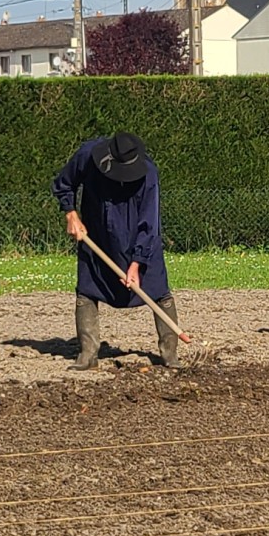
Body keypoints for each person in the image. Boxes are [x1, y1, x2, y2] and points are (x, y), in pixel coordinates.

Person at [54, 132, 179, 368]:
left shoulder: (148, 174)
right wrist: (70, 213)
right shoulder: (87, 157)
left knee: (159, 291)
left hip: (138, 239)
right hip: (97, 236)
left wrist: (136, 263)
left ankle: (170, 355)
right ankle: (88, 355)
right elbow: (65, 183)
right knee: (87, 290)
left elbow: (149, 224)